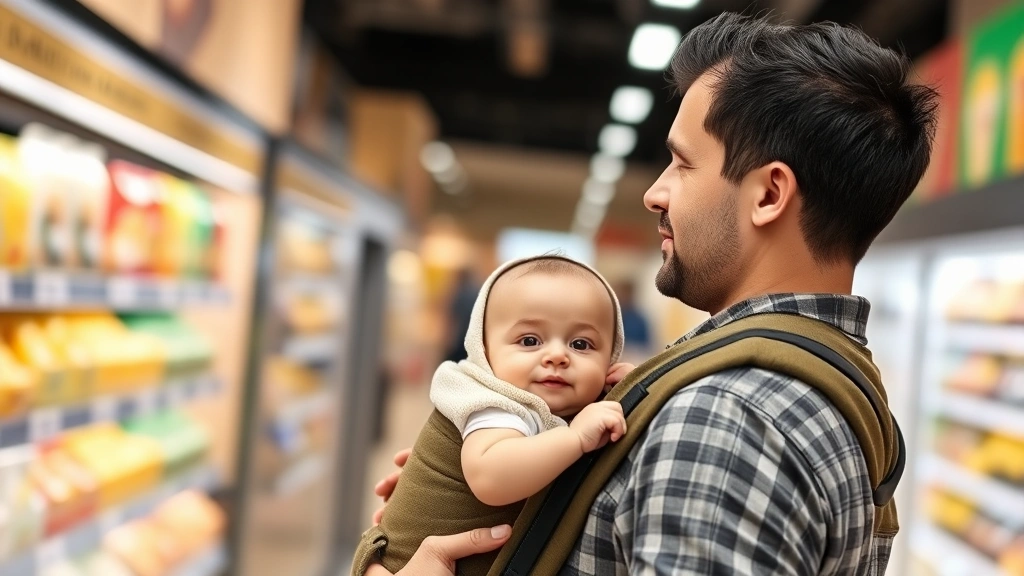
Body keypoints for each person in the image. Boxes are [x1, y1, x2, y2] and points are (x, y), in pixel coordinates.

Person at [369, 11, 937, 575]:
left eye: (682, 164)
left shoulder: (724, 419)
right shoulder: (841, 380)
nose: (654, 193)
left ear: (768, 194)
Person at [352, 255, 633, 575]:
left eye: (581, 344)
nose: (557, 355)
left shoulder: (544, 402)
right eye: (530, 340)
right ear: (484, 349)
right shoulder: (495, 404)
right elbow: (491, 477)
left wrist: (621, 391)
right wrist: (575, 437)